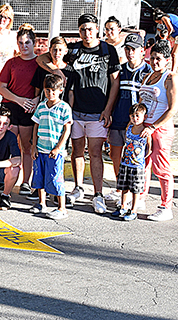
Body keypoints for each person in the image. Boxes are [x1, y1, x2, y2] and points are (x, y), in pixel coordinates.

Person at [38, 13, 120, 213]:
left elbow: (115, 81)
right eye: (82, 29)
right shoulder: (73, 48)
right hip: (74, 112)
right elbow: (42, 57)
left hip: (97, 112)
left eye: (90, 29)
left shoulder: (108, 50)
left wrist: (108, 109)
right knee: (76, 152)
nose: (86, 33)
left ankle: (98, 194)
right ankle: (78, 188)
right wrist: (56, 71)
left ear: (97, 30)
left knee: (95, 153)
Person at [139, 39, 178, 221]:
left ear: (166, 60)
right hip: (144, 127)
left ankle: (166, 206)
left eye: (158, 59)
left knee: (161, 168)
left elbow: (173, 109)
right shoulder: (147, 76)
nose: (154, 62)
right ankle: (140, 197)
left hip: (161, 129)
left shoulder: (171, 78)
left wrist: (154, 127)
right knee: (143, 165)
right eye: (152, 58)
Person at [107, 33, 150, 206]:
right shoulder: (121, 70)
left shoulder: (148, 71)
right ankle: (121, 188)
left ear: (142, 50)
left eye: (134, 49)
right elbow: (114, 93)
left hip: (138, 125)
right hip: (119, 118)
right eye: (127, 49)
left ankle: (137, 195)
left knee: (138, 158)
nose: (130, 52)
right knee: (115, 154)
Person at [0, 24, 39, 197]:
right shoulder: (11, 62)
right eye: (21, 43)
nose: (24, 46)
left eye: (27, 42)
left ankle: (26, 182)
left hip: (30, 108)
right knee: (9, 145)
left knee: (27, 147)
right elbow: (2, 88)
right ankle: (4, 179)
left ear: (34, 43)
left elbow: (45, 88)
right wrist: (19, 100)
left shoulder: (40, 62)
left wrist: (34, 101)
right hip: (12, 106)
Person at [29, 74, 73, 220]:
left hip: (55, 151)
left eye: (54, 90)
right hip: (40, 148)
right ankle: (42, 203)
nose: (50, 93)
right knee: (39, 176)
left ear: (60, 90)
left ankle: (62, 208)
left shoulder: (64, 108)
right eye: (48, 90)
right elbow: (36, 126)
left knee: (55, 177)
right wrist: (34, 145)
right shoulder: (41, 106)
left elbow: (67, 130)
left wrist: (58, 147)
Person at [111, 103, 150, 222]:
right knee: (124, 186)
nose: (135, 118)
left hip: (137, 165)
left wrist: (142, 159)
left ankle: (133, 210)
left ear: (144, 116)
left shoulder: (145, 132)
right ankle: (123, 206)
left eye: (138, 115)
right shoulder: (129, 128)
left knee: (135, 189)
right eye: (133, 116)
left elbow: (149, 148)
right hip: (126, 163)